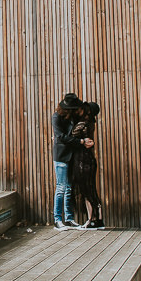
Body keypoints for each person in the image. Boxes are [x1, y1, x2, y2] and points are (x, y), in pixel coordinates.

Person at [52, 93, 94, 230]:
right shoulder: (56, 117)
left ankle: (69, 219)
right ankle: (58, 220)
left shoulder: (73, 118)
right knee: (61, 188)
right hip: (61, 156)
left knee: (69, 188)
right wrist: (81, 142)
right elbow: (61, 136)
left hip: (72, 156)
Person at [70, 101, 103, 228]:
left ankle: (93, 218)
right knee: (91, 190)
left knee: (86, 190)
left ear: (88, 111)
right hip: (89, 159)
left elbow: (71, 135)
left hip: (82, 160)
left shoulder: (83, 123)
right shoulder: (90, 124)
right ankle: (97, 219)